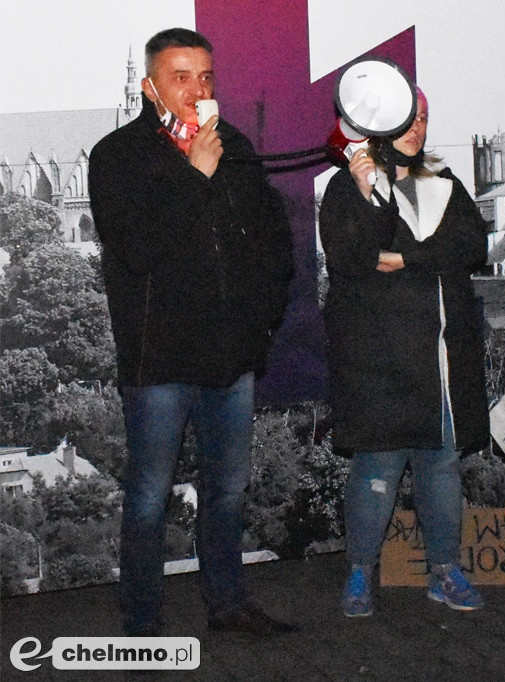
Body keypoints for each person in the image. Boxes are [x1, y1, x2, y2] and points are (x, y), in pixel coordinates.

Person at [89, 28, 296, 636]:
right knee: (151, 498)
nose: (196, 90)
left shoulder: (232, 146)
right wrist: (193, 175)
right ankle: (143, 623)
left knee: (228, 490)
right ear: (151, 87)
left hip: (231, 356)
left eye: (205, 77)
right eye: (181, 77)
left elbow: (271, 242)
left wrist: (262, 319)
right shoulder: (117, 155)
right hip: (159, 362)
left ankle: (229, 606)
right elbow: (137, 249)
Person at [319, 87, 489, 616]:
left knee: (440, 466)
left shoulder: (444, 181)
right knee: (379, 465)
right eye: (408, 119)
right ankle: (359, 574)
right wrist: (368, 193)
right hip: (380, 356)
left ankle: (445, 571)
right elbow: (353, 258)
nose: (418, 128)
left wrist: (410, 257)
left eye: (424, 119)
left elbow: (473, 246)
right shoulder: (346, 187)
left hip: (438, 353)